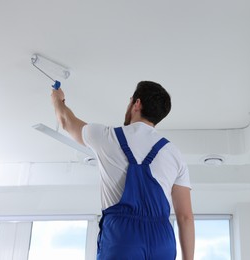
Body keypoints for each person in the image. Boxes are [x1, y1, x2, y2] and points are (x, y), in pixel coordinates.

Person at [51, 81, 195, 260]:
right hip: (162, 240)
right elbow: (185, 216)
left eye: (130, 101)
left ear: (137, 104)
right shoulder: (174, 153)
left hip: (123, 237)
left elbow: (65, 121)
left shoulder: (106, 136)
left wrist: (58, 100)